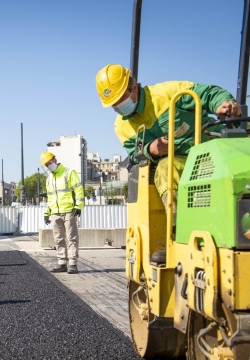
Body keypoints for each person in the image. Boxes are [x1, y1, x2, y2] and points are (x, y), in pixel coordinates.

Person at [95, 64, 241, 262]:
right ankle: (178, 236)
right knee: (165, 169)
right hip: (178, 162)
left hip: (209, 152)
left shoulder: (167, 93)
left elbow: (207, 93)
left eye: (121, 99)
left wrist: (222, 103)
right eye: (114, 104)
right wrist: (150, 149)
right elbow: (134, 153)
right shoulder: (121, 127)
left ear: (134, 87)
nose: (119, 106)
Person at [40, 151, 85, 274]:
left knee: (72, 238)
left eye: (49, 163)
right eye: (46, 165)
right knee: (58, 239)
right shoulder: (49, 178)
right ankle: (61, 264)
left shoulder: (69, 173)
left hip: (69, 211)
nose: (49, 166)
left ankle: (73, 264)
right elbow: (50, 197)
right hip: (55, 212)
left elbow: (79, 190)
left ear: (55, 159)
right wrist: (47, 212)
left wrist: (78, 206)